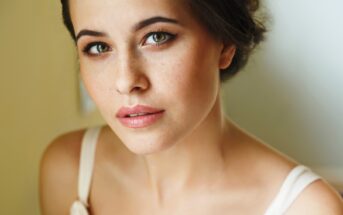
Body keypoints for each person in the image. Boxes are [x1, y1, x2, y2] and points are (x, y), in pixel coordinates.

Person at [39, 0, 343, 214]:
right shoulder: (68, 171)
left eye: (157, 37)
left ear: (225, 43)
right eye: (98, 47)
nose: (126, 81)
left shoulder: (307, 209)